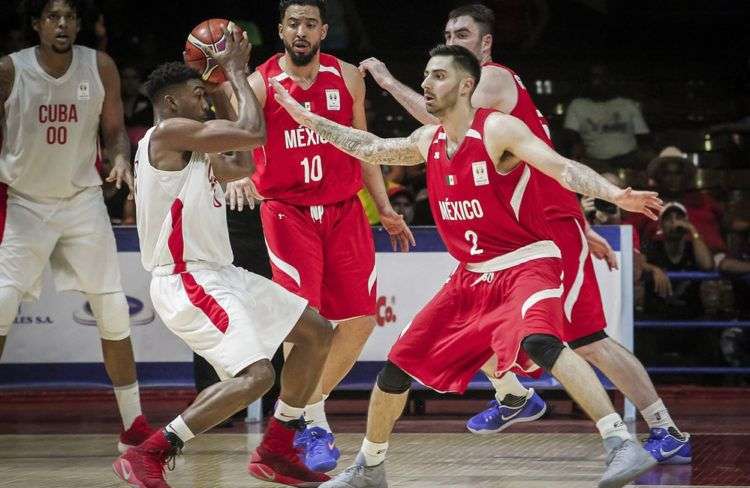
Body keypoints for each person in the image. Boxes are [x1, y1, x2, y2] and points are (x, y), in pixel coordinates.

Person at [273, 43, 662, 488]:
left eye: (437, 76)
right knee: (396, 369)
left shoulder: (498, 129)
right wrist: (309, 121)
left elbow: (562, 168)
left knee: (540, 340)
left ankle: (619, 443)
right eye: (425, 75)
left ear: (465, 85)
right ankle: (370, 468)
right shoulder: (428, 139)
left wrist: (614, 196)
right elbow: (371, 147)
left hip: (525, 264)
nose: (425, 84)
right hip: (470, 277)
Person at [358, 4, 690, 465]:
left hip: (547, 229)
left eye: (464, 34)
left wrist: (389, 82)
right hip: (528, 223)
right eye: (448, 33)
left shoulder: (491, 78)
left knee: (586, 338)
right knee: (477, 306)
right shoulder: (478, 89)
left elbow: (440, 122)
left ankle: (663, 428)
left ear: (486, 44)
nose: (454, 41)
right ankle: (514, 394)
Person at [113, 29, 333, 488]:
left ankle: (276, 446)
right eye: (198, 95)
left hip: (220, 273)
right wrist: (234, 72)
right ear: (171, 104)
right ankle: (152, 451)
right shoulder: (169, 133)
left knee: (315, 331)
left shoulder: (194, 148)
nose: (206, 101)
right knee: (257, 376)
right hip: (187, 279)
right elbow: (253, 133)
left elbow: (246, 159)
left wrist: (221, 89)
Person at [223, 0, 415, 473]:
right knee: (305, 321)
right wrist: (235, 171)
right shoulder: (259, 83)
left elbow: (364, 145)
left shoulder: (347, 77)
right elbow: (230, 141)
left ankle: (306, 406)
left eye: (311, 24)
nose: (302, 32)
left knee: (361, 319)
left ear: (324, 30)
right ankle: (311, 421)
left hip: (345, 210)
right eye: (294, 24)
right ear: (282, 30)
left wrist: (386, 208)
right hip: (287, 212)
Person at [0, 0, 154, 452]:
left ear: (79, 25)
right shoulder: (10, 71)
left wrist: (121, 157)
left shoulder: (98, 65)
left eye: (69, 17)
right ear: (36, 24)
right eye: (52, 17)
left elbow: (112, 132)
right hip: (24, 202)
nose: (61, 24)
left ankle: (133, 427)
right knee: (1, 310)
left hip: (82, 201)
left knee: (111, 312)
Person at [563, 64, 652, 170]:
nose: (599, 82)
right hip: (595, 161)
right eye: (594, 77)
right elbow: (570, 135)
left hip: (629, 159)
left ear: (610, 80)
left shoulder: (627, 104)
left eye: (603, 77)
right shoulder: (578, 105)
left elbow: (643, 136)